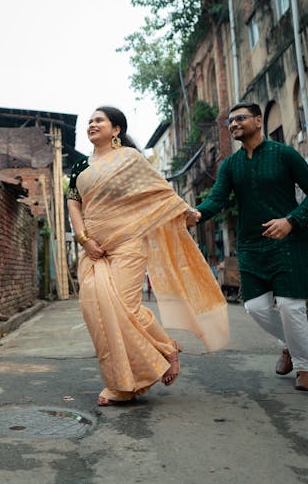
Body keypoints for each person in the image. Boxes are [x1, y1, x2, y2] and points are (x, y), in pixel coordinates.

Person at [67, 106, 229, 407]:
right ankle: (133, 373)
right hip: (93, 248)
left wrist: (185, 211)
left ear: (116, 130)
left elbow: (158, 193)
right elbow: (73, 205)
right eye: (89, 121)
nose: (91, 124)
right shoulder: (80, 168)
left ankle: (149, 364)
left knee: (125, 306)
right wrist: (84, 240)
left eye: (99, 120)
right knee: (95, 307)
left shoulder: (130, 160)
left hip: (128, 241)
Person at [185, 103, 308, 392]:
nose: (234, 124)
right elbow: (217, 198)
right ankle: (289, 344)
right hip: (251, 246)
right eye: (230, 121)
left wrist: (291, 221)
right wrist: (198, 213)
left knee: (289, 305)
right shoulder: (231, 165)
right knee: (255, 307)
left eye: (240, 118)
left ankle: (305, 368)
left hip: (288, 242)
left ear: (258, 121)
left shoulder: (284, 154)